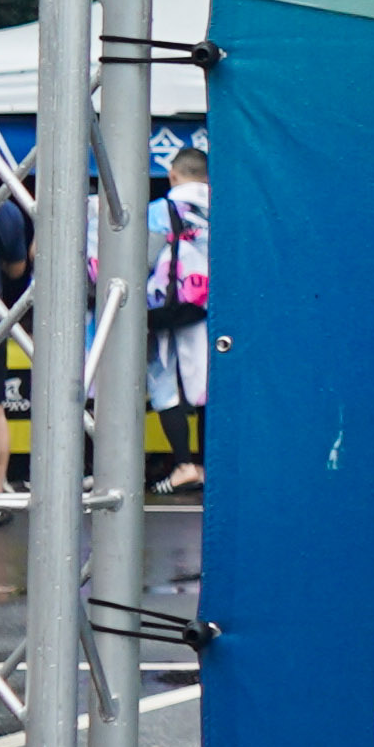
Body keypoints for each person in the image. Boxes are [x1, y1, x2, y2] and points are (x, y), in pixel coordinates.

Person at [144, 138, 213, 493]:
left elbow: (144, 258)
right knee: (209, 387)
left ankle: (184, 465)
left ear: (172, 175)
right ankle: (208, 466)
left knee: (165, 384)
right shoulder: (225, 208)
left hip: (168, 309)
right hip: (213, 310)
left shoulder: (160, 210)